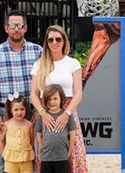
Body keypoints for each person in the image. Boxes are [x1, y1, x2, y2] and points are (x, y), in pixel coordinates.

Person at [0, 10, 42, 173]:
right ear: (6, 28)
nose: (16, 29)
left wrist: (40, 108)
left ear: (25, 28)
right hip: (5, 113)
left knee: (32, 155)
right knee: (2, 158)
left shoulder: (38, 51)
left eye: (19, 25)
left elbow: (46, 82)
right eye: (12, 25)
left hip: (32, 111)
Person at [30, 25, 87, 172]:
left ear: (64, 41)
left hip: (68, 111)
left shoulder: (72, 63)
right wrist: (43, 113)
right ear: (46, 43)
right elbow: (33, 95)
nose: (54, 42)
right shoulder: (39, 64)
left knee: (73, 152)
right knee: (46, 153)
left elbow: (78, 92)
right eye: (50, 40)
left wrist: (66, 113)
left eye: (58, 39)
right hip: (45, 112)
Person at [36, 84, 77, 173]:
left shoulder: (67, 116)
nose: (52, 102)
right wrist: (41, 147)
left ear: (61, 99)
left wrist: (69, 152)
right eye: (49, 99)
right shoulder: (42, 116)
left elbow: (73, 135)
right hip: (46, 158)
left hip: (62, 157)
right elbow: (38, 133)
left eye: (55, 99)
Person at [0, 93, 35, 173]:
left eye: (22, 109)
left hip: (26, 159)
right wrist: (4, 154)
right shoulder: (6, 124)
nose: (19, 112)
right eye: (16, 110)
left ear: (26, 109)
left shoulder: (29, 124)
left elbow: (32, 140)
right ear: (11, 110)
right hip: (11, 160)